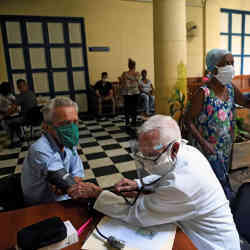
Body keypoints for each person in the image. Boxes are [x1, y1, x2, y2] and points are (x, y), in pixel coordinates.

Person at [68, 115, 240, 250]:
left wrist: (98, 193)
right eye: (143, 154)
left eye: (151, 156)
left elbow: (136, 214)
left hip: (208, 245)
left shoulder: (182, 186)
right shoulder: (188, 151)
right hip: (189, 228)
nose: (146, 162)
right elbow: (168, 171)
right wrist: (139, 184)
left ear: (175, 148)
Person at [185, 49, 250, 201]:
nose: (231, 67)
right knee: (207, 184)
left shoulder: (230, 88)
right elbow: (187, 120)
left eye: (232, 63)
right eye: (226, 63)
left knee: (220, 182)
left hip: (225, 147)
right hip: (205, 148)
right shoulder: (203, 93)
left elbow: (246, 102)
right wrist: (204, 143)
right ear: (213, 68)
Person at [21, 97, 85, 205]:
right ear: (46, 127)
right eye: (65, 124)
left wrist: (66, 184)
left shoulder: (68, 143)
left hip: (64, 198)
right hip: (41, 206)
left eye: (75, 122)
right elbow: (68, 185)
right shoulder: (39, 149)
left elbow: (77, 174)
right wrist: (67, 184)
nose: (72, 129)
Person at [5, 79, 37, 147]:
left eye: (19, 87)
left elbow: (12, 108)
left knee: (9, 121)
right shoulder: (32, 93)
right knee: (14, 120)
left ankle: (16, 140)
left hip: (25, 118)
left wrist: (5, 115)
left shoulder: (22, 95)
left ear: (19, 87)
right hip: (35, 118)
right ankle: (19, 136)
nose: (20, 89)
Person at [120, 58, 140, 127]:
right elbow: (123, 83)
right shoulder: (127, 73)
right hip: (128, 93)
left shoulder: (136, 73)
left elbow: (124, 83)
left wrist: (127, 80)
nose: (132, 66)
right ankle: (129, 122)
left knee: (132, 108)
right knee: (129, 108)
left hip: (133, 93)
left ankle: (132, 121)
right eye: (131, 65)